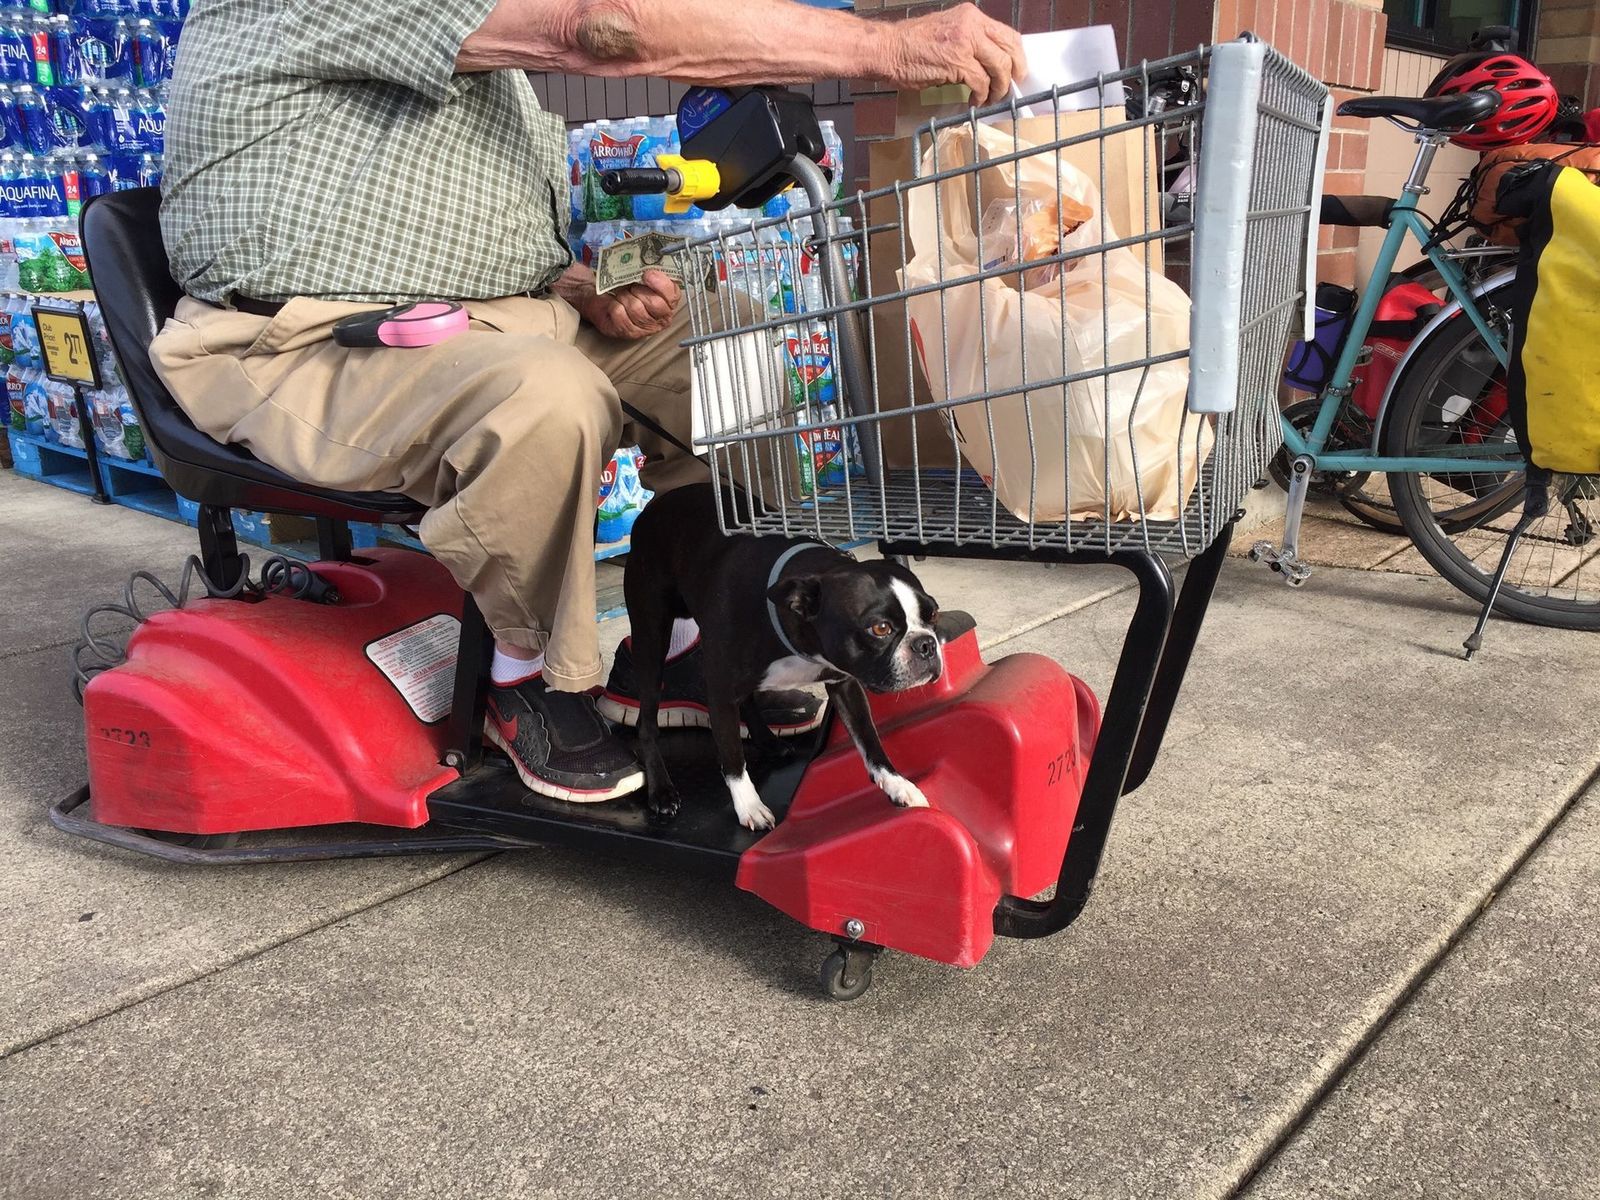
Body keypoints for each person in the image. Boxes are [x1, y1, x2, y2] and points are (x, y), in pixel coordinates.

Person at [149, 0, 1026, 802]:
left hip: (495, 317)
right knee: (546, 394)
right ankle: (527, 679)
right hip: (305, 340)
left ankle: (687, 641)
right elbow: (603, 27)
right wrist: (888, 48)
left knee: (733, 342)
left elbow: (445, 235)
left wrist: (579, 286)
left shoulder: (462, 49)